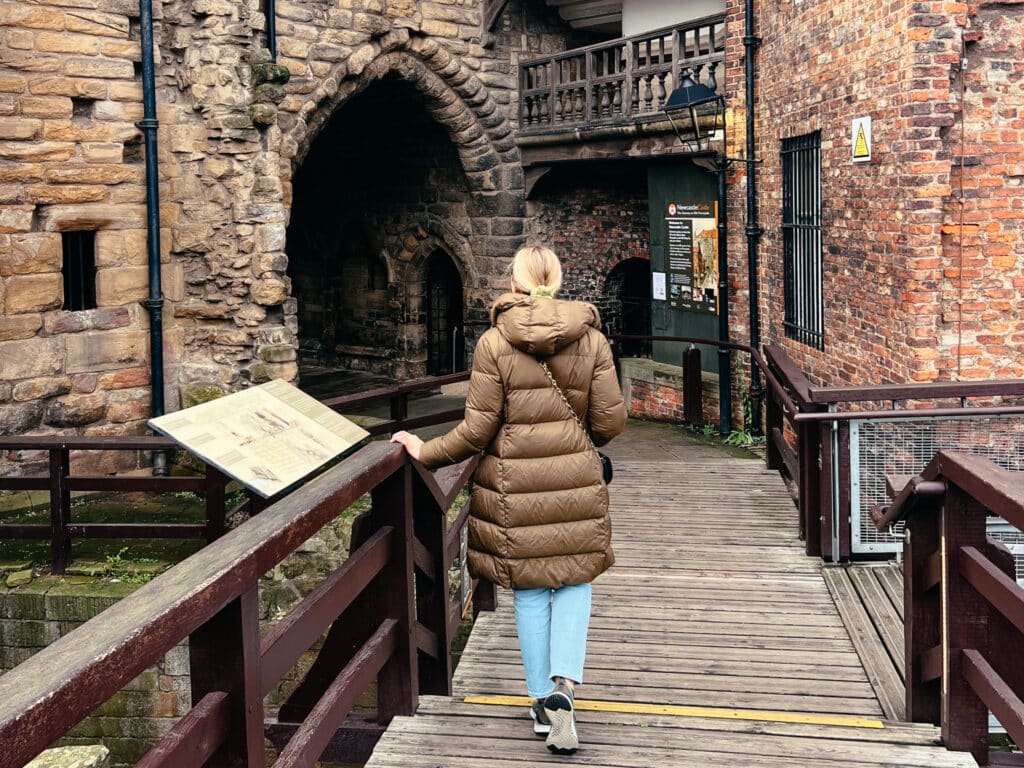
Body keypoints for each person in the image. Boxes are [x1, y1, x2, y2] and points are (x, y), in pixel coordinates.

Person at [391, 244, 626, 755]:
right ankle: (565, 688)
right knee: (573, 579)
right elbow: (609, 423)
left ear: (514, 284)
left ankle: (541, 700)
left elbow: (475, 432)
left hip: (516, 490)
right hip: (576, 482)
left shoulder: (494, 343)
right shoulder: (592, 340)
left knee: (528, 589)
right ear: (557, 281)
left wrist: (422, 451)